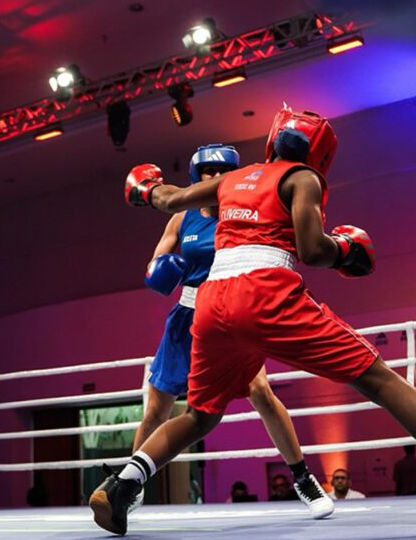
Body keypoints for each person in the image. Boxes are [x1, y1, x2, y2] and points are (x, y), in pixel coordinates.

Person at [90, 107, 416, 535]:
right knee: (380, 380)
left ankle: (122, 484)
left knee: (200, 416)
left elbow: (166, 198)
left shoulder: (233, 180)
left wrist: (144, 189)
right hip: (267, 291)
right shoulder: (303, 178)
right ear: (319, 153)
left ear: (273, 140)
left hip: (212, 302)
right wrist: (346, 250)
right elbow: (313, 250)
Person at [131, 144, 332, 518]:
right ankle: (129, 484)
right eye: (206, 171)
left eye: (219, 171)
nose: (213, 178)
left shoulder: (240, 212)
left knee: (260, 392)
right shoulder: (182, 216)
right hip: (186, 316)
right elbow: (154, 262)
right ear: (196, 176)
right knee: (157, 406)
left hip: (226, 312)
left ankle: (302, 478)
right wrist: (160, 267)